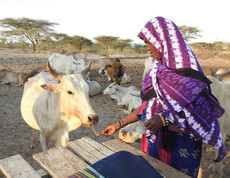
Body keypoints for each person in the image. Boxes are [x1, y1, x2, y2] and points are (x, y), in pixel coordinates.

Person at [101, 16, 225, 177]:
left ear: (163, 41)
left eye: (149, 42)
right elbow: (147, 106)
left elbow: (200, 111)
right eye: (145, 43)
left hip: (180, 146)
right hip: (153, 142)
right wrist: (118, 124)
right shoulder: (155, 71)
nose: (147, 48)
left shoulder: (188, 73)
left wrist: (164, 119)